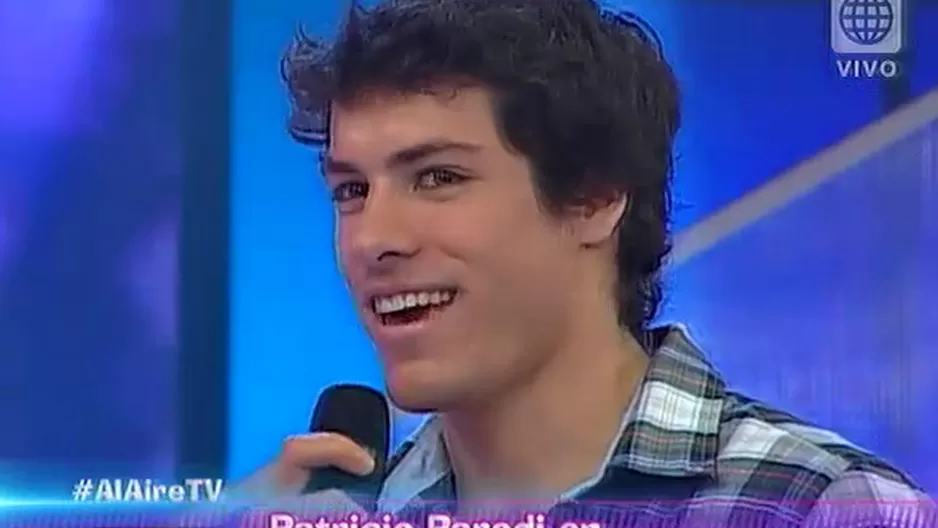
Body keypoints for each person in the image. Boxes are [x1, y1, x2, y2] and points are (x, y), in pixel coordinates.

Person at [240, 0, 935, 525]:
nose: (372, 238)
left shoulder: (824, 507)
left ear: (595, 198)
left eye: (438, 177)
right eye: (351, 191)